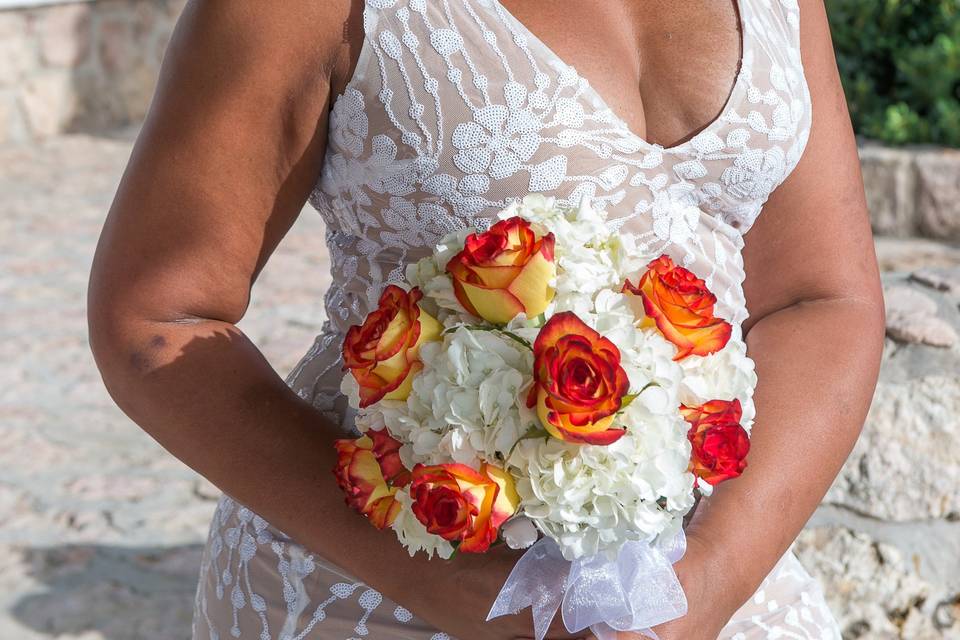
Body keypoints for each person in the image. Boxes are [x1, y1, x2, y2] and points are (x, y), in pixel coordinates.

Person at [87, 1, 885, 638]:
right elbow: (157, 315)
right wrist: (463, 592)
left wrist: (703, 585)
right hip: (381, 591)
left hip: (710, 589)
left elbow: (819, 296)